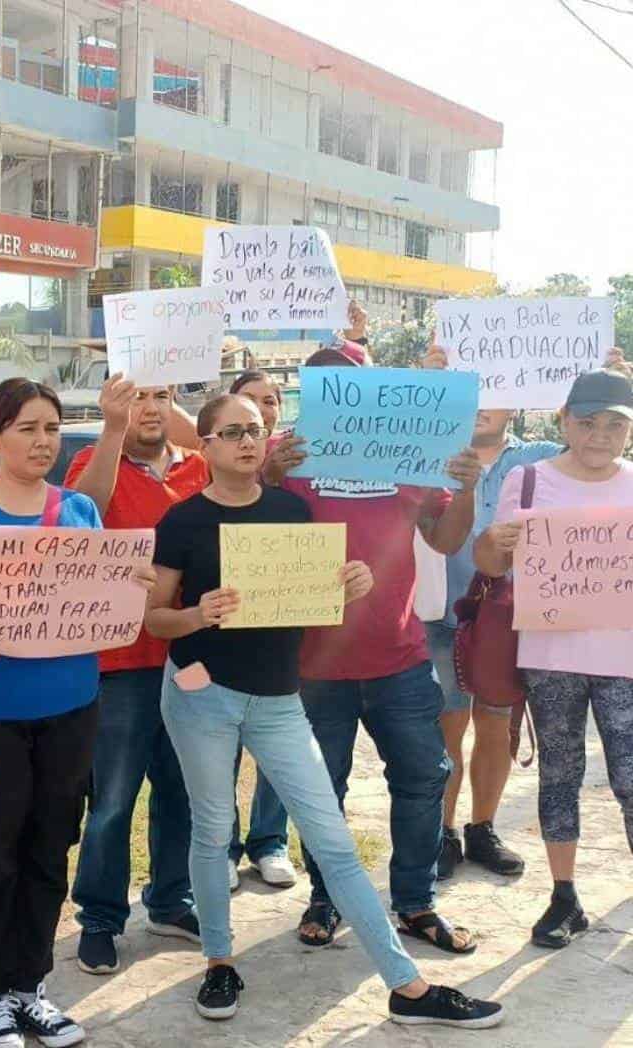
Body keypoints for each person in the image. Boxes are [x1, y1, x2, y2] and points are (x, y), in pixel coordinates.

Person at [143, 392, 504, 1029]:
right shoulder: (183, 521)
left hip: (281, 699)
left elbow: (308, 594)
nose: (246, 441)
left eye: (255, 430)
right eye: (230, 432)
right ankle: (219, 962)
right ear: (206, 445)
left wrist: (347, 586)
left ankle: (407, 987)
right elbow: (155, 619)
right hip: (201, 694)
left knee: (334, 841)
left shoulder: (291, 509)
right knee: (212, 826)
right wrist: (199, 614)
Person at [0, 378, 141, 1048]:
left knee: (50, 843)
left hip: (71, 707)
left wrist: (125, 589)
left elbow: (103, 608)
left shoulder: (78, 511)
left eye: (50, 428)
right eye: (26, 429)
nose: (42, 442)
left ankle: (32, 986)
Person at [269, 341, 485, 956]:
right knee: (321, 789)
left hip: (399, 655)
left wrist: (466, 488)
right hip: (311, 665)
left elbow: (444, 539)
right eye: (322, 387)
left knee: (422, 779)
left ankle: (415, 903)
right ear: (306, 396)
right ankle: (326, 898)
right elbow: (245, 526)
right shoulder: (287, 452)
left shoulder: (410, 450)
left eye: (348, 384)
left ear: (370, 391)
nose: (336, 397)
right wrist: (271, 475)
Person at [418, 344, 630, 880]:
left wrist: (614, 377)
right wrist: (427, 387)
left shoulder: (531, 460)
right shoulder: (429, 451)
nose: (483, 405)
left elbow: (595, 446)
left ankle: (481, 828)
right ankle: (439, 833)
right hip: (443, 610)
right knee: (445, 726)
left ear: (518, 405)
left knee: (497, 725)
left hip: (511, 618)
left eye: (495, 395)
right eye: (470, 395)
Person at [475, 368, 633, 949]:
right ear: (564, 421)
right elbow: (490, 565)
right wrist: (497, 545)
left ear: (629, 431)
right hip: (551, 656)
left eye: (614, 424)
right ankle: (564, 896)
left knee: (631, 779)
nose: (599, 435)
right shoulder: (528, 481)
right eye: (587, 422)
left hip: (625, 658)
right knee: (560, 773)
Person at [63, 375, 204, 976]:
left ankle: (171, 899)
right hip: (119, 664)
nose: (150, 407)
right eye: (136, 396)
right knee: (114, 799)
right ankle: (99, 918)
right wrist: (113, 430)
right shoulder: (96, 462)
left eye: (161, 396)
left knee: (184, 790)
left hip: (192, 659)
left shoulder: (199, 466)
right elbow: (81, 515)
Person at [217, 369, 296, 889]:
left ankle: (270, 841)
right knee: (221, 747)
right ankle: (224, 844)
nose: (261, 413)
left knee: (276, 745)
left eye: (269, 403)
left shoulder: (299, 461)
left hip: (279, 630)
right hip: (222, 630)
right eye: (248, 404)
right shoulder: (217, 473)